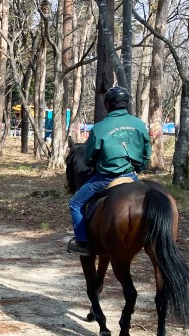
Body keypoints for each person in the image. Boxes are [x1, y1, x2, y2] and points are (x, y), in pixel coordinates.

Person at [67, 85, 151, 256]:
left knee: (75, 203)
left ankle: (83, 243)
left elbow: (89, 158)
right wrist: (138, 167)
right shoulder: (139, 124)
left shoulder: (99, 128)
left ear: (108, 105)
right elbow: (146, 153)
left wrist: (95, 164)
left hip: (105, 178)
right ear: (126, 104)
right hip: (131, 177)